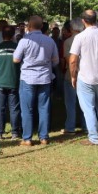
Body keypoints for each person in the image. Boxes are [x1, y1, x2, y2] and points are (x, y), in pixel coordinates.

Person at [13, 16, 59, 146]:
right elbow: (56, 61)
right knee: (44, 108)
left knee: (27, 109)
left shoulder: (24, 40)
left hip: (28, 77)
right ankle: (43, 137)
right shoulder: (50, 40)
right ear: (42, 26)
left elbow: (16, 59)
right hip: (45, 77)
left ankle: (27, 138)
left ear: (29, 26)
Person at [69, 10, 98, 146]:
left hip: (85, 77)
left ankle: (94, 137)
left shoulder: (80, 37)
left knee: (89, 109)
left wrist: (73, 76)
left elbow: (73, 60)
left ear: (83, 21)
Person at [0, 26, 21, 140]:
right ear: (13, 35)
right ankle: (15, 132)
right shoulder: (18, 47)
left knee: (0, 109)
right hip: (14, 81)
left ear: (2, 35)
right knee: (14, 108)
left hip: (0, 82)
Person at [61, 18, 86, 134]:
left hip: (71, 74)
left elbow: (69, 60)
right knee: (85, 102)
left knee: (70, 103)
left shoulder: (68, 41)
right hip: (85, 74)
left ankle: (70, 127)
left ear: (71, 28)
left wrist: (72, 75)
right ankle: (86, 126)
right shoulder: (86, 39)